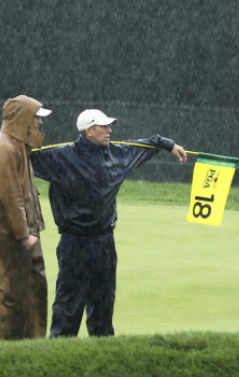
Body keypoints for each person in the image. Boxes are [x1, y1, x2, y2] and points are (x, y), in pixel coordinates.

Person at [30, 108, 188, 338]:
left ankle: (102, 353)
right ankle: (61, 355)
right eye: (104, 126)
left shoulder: (118, 154)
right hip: (74, 242)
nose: (110, 130)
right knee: (68, 306)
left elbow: (147, 145)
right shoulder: (61, 157)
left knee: (103, 304)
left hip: (104, 242)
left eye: (109, 126)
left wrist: (168, 144)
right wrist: (4, 154)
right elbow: (24, 158)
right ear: (89, 131)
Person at [0, 94, 52, 340]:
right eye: (36, 118)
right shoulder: (5, 148)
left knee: (34, 289)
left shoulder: (18, 146)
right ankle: (5, 349)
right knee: (12, 295)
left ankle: (32, 344)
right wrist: (23, 233)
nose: (40, 123)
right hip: (9, 234)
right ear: (22, 119)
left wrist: (30, 229)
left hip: (26, 230)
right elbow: (11, 198)